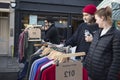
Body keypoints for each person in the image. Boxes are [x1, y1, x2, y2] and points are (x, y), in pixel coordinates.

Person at [84, 6, 120, 80]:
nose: (96, 21)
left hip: (103, 77)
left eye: (97, 19)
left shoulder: (116, 35)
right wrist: (84, 67)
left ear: (102, 18)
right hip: (89, 74)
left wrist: (111, 78)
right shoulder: (97, 33)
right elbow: (90, 52)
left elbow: (117, 60)